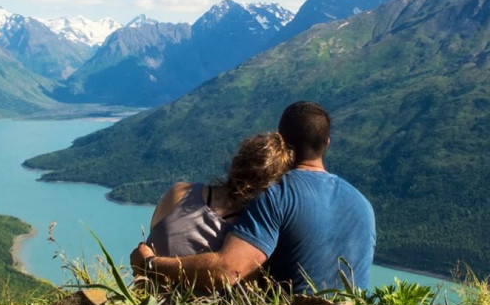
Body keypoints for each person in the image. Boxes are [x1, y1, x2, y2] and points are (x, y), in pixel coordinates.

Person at [131, 101, 376, 294]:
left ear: (281, 142)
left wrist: (150, 264)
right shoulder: (363, 204)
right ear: (327, 143)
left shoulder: (277, 194)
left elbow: (228, 270)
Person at [144, 132, 294, 258]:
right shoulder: (245, 233)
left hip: (143, 289)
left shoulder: (179, 192)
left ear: (234, 164)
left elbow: (153, 240)